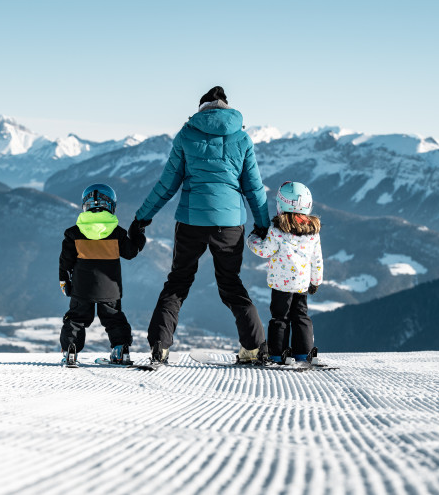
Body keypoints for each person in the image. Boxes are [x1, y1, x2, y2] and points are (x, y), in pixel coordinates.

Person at [130, 86, 271, 365]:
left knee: (178, 282)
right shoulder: (241, 138)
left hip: (191, 221)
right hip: (230, 225)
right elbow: (254, 187)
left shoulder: (186, 135)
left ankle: (160, 345)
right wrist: (263, 224)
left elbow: (167, 184)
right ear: (227, 108)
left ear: (201, 108)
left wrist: (141, 218)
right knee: (231, 284)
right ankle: (254, 348)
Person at [59, 183, 145, 366]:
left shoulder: (73, 233)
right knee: (114, 318)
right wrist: (138, 234)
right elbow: (130, 252)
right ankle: (120, 351)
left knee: (76, 318)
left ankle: (70, 351)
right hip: (110, 288)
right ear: (111, 206)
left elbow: (65, 262)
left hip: (81, 288)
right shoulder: (117, 233)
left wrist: (64, 281)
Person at [246, 181, 323, 364]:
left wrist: (252, 238)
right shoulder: (313, 232)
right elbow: (317, 259)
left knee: (280, 317)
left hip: (281, 284)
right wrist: (315, 281)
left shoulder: (278, 229)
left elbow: (265, 250)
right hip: (302, 284)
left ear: (281, 204)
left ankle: (276, 353)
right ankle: (303, 353)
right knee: (301, 316)